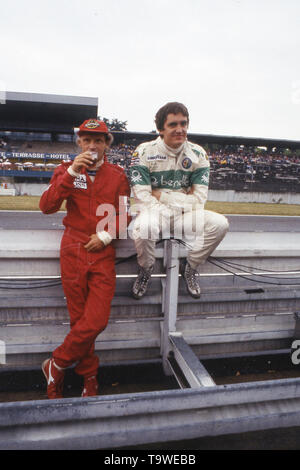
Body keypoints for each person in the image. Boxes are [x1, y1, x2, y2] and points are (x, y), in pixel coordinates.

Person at [39, 118, 131, 399]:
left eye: (99, 140)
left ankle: (56, 363)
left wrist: (105, 236)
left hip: (102, 253)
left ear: (106, 145)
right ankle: (89, 377)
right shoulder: (65, 170)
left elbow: (124, 215)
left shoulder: (117, 175)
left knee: (96, 320)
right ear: (79, 142)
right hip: (73, 251)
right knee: (79, 320)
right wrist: (70, 174)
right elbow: (46, 207)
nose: (93, 145)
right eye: (87, 140)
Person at [130, 102, 229, 300]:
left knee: (220, 224)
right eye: (173, 125)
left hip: (186, 215)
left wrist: (164, 196)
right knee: (144, 227)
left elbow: (199, 200)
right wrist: (171, 206)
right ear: (160, 129)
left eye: (183, 124)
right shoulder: (143, 151)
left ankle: (191, 267)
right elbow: (142, 196)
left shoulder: (199, 154)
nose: (180, 129)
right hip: (156, 213)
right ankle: (146, 268)